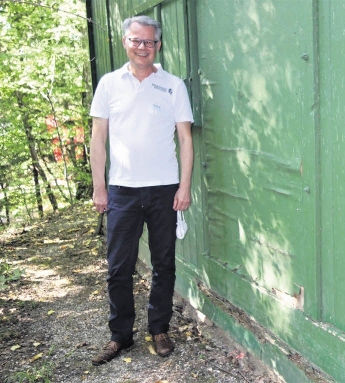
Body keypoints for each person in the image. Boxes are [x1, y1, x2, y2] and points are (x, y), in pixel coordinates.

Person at [89, 15, 194, 365]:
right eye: (136, 40)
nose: (143, 46)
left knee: (164, 263)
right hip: (122, 191)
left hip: (165, 191)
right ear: (125, 42)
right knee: (118, 266)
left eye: (149, 41)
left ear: (158, 45)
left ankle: (159, 328)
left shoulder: (173, 85)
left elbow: (185, 139)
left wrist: (185, 185)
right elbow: (98, 139)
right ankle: (120, 335)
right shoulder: (108, 84)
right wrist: (100, 187)